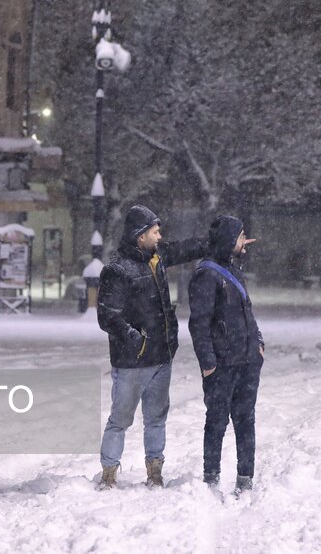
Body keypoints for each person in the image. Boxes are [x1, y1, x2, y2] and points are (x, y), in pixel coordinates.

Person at [96, 205, 207, 489]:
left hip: (161, 358)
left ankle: (154, 472)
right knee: (120, 419)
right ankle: (109, 474)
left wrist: (219, 240)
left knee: (156, 418)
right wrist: (136, 338)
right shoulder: (117, 269)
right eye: (155, 232)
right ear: (140, 235)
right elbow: (108, 316)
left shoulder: (156, 258)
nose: (160, 236)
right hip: (132, 362)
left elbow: (185, 249)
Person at [188, 215, 264, 495]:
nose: (246, 242)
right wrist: (208, 363)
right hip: (221, 365)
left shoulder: (233, 269)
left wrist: (258, 344)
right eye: (242, 237)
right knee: (217, 422)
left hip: (247, 361)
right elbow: (199, 323)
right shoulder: (206, 275)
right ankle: (211, 477)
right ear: (229, 240)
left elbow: (247, 312)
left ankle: (245, 477)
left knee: (246, 421)